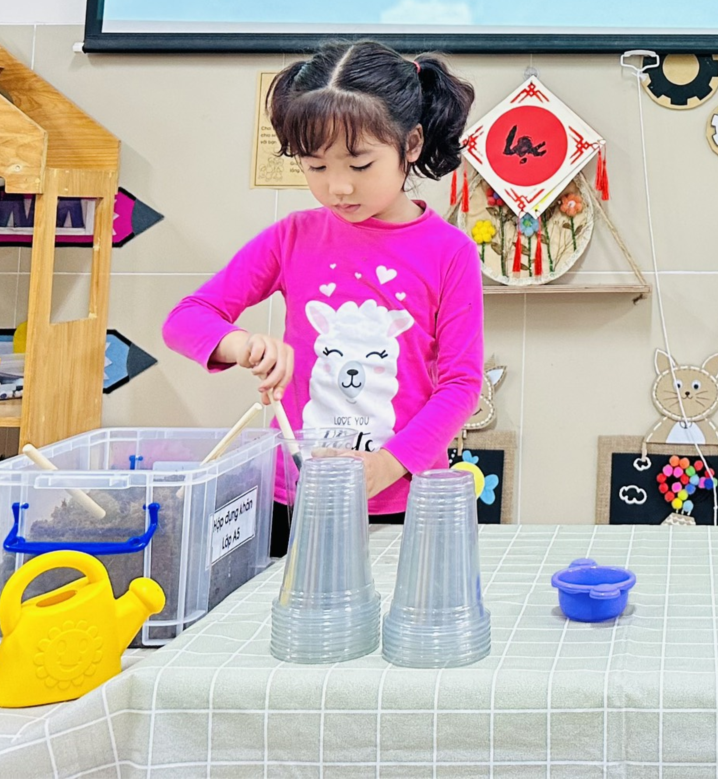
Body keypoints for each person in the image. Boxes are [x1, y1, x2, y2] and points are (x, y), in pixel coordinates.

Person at [161, 41, 483, 554]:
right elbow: (186, 318)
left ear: (412, 143)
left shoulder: (451, 252)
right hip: (293, 496)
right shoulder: (293, 237)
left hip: (402, 499)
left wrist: (387, 465)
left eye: (359, 165)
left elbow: (461, 384)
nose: (338, 188)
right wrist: (242, 345)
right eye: (315, 167)